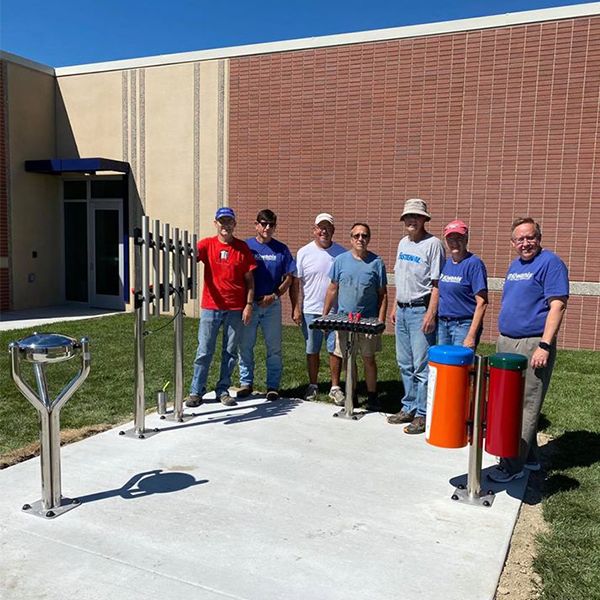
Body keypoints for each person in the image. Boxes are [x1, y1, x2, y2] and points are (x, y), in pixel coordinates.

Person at [488, 217, 569, 483]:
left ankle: (512, 466)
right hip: (507, 342)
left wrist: (544, 345)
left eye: (530, 237)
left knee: (525, 404)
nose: (526, 243)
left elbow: (557, 305)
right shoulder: (515, 266)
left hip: (532, 343)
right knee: (508, 402)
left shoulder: (551, 263)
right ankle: (530, 457)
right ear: (513, 243)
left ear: (539, 238)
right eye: (520, 239)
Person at [186, 207, 256, 408]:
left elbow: (250, 281)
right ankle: (196, 391)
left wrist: (248, 305)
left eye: (229, 222)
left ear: (234, 224)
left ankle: (222, 390)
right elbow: (189, 257)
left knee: (230, 351)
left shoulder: (242, 248)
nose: (225, 225)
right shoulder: (207, 245)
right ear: (215, 223)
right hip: (211, 306)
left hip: (235, 309)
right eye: (222, 221)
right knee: (204, 350)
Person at [387, 198, 445, 434]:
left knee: (421, 366)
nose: (412, 220)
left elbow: (436, 284)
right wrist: (394, 306)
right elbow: (400, 278)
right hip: (402, 309)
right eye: (408, 217)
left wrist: (431, 313)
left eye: (416, 217)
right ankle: (408, 405)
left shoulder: (433, 244)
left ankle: (422, 413)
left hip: (420, 310)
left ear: (424, 220)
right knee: (404, 362)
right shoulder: (403, 243)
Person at [322, 223, 387, 409]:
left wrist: (380, 321)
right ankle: (353, 394)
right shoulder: (341, 261)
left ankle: (372, 396)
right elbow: (332, 289)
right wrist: (325, 316)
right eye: (357, 235)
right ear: (351, 239)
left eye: (364, 236)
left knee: (368, 359)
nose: (360, 239)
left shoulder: (376, 262)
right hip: (344, 321)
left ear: (369, 239)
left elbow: (383, 294)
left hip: (368, 321)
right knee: (348, 360)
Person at [237, 209, 296, 401]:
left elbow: (289, 278)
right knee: (245, 345)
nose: (267, 228)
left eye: (271, 224)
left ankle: (273, 386)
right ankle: (246, 383)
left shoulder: (281, 249)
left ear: (275, 227)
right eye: (263, 224)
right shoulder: (246, 247)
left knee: (274, 348)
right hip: (249, 304)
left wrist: (275, 295)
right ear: (256, 225)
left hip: (271, 305)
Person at [290, 213, 346, 402]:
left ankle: (335, 387)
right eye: (320, 227)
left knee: (334, 350)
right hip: (310, 311)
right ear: (314, 230)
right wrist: (296, 308)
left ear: (333, 231)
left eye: (328, 227)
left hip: (334, 312)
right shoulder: (304, 252)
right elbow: (296, 283)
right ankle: (313, 385)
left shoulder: (341, 254)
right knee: (312, 349)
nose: (324, 231)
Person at [438, 219, 488, 349]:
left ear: (466, 239)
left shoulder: (474, 264)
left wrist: (471, 335)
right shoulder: (445, 264)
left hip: (463, 325)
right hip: (443, 324)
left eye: (459, 238)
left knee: (460, 366)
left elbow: (482, 302)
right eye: (450, 239)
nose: (454, 243)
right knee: (445, 365)